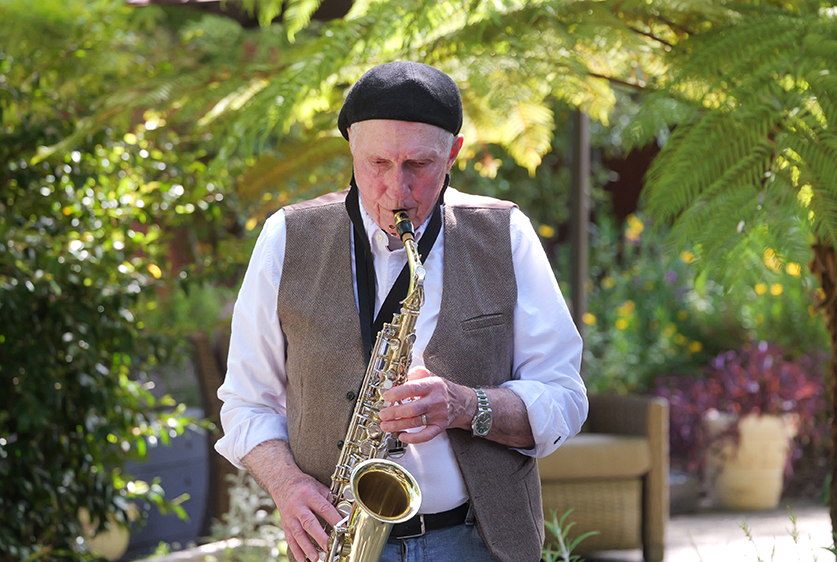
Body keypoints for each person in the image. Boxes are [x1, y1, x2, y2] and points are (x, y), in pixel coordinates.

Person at [215, 61, 587, 562]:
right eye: (378, 165)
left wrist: (465, 405)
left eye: (419, 165)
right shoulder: (285, 237)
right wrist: (287, 487)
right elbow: (246, 404)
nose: (398, 191)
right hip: (339, 541)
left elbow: (564, 398)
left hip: (478, 541)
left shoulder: (506, 235)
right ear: (351, 145)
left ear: (453, 152)